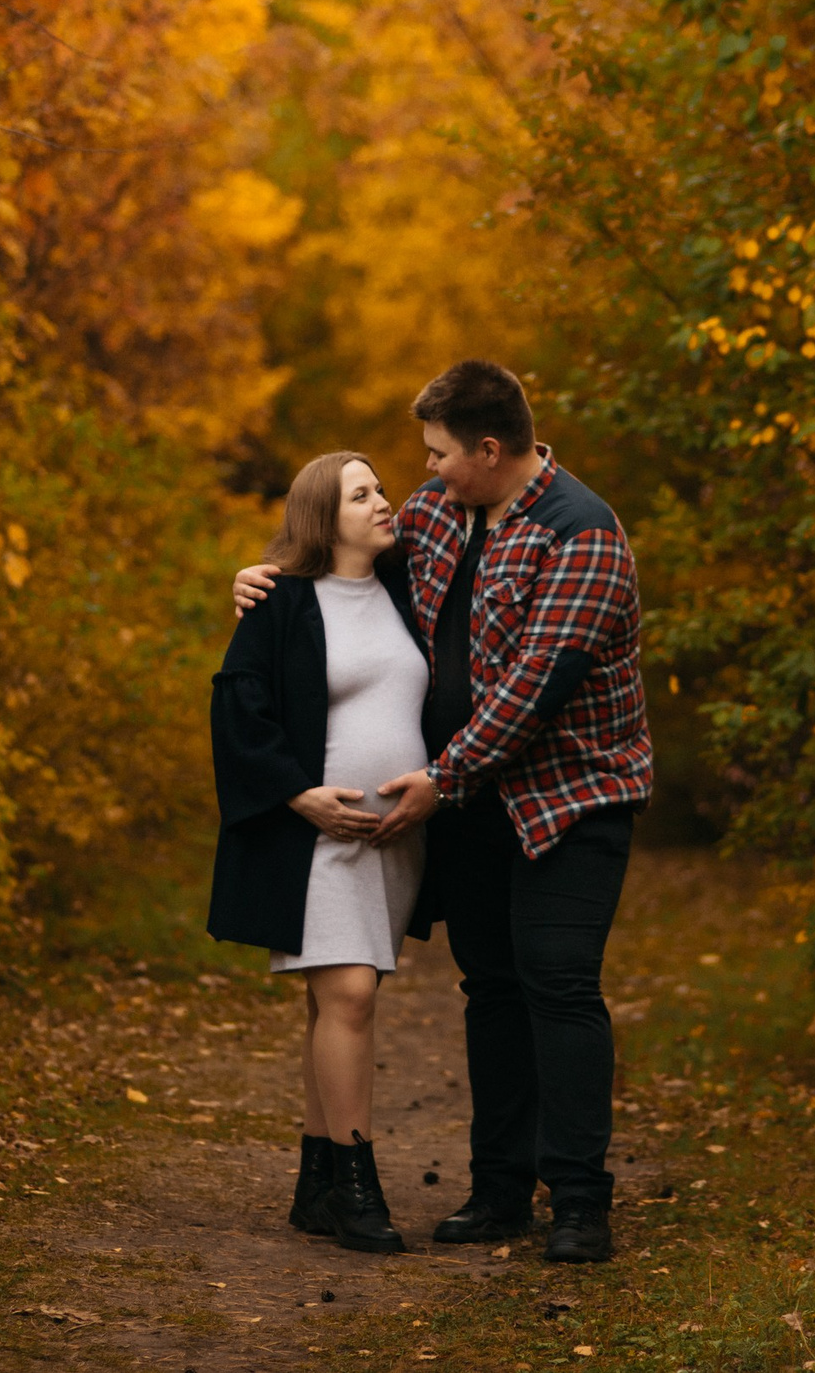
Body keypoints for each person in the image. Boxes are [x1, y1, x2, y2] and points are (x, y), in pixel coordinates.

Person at [234, 361, 651, 1264]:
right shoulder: (435, 516)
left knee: (558, 983)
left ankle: (579, 1200)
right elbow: (338, 567)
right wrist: (265, 581)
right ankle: (500, 1191)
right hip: (473, 807)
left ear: (488, 450)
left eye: (436, 454)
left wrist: (441, 775)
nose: (422, 471)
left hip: (572, 796)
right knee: (491, 987)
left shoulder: (583, 533)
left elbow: (534, 687)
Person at [208, 450, 434, 1254]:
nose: (382, 501)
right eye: (360, 494)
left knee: (333, 1006)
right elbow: (239, 711)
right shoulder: (281, 602)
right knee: (350, 997)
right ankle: (357, 1188)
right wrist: (297, 795)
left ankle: (316, 1185)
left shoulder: (409, 590)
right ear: (321, 517)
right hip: (317, 842)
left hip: (395, 841)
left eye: (380, 489)